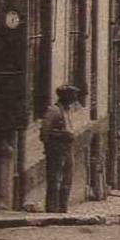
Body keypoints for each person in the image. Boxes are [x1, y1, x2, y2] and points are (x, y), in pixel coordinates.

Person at [40, 85, 80, 213]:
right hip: (56, 148)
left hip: (68, 148)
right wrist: (61, 136)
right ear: (65, 96)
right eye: (72, 95)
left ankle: (63, 208)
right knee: (54, 179)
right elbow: (44, 133)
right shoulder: (54, 111)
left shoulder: (68, 110)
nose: (75, 98)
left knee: (67, 179)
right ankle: (52, 208)